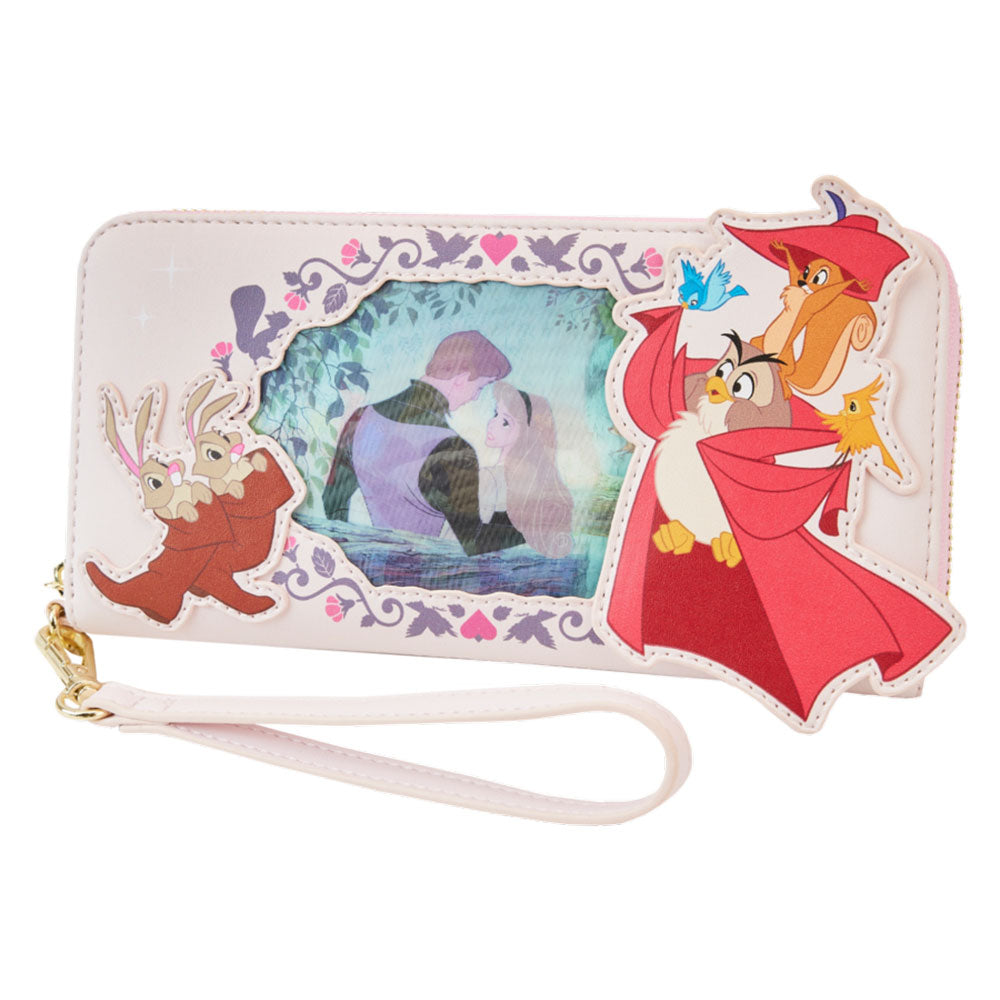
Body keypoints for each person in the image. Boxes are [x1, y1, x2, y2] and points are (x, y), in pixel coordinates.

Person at [322, 330, 526, 556]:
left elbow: (332, 500)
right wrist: (528, 525)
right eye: (480, 387)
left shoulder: (361, 418)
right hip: (423, 569)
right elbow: (474, 541)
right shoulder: (453, 448)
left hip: (370, 563)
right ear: (461, 378)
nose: (476, 397)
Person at [478, 382, 574, 559]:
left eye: (505, 422)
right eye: (495, 414)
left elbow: (464, 541)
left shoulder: (490, 477)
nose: (491, 424)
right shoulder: (538, 478)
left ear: (527, 433)